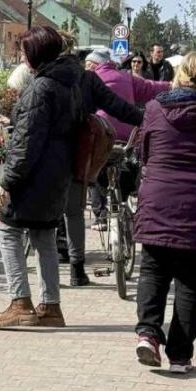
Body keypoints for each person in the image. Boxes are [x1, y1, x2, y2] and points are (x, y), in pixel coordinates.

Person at [133, 52, 196, 373]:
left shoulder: (155, 108)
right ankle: (180, 356)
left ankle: (148, 334)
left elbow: (144, 152)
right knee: (192, 282)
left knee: (153, 272)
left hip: (158, 200)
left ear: (179, 75)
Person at [0, 26, 81, 329]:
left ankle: (20, 303)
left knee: (6, 232)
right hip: (57, 174)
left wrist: (8, 180)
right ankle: (51, 306)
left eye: (24, 51)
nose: (21, 56)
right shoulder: (69, 83)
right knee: (43, 237)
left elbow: (26, 142)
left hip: (35, 176)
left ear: (37, 53)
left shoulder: (40, 88)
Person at [59, 37, 143, 286]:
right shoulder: (87, 78)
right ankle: (77, 271)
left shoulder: (41, 79)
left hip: (47, 154)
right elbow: (117, 106)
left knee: (45, 215)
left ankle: (48, 276)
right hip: (79, 152)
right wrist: (146, 120)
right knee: (74, 212)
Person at [84, 49, 169, 226]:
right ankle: (123, 202)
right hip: (128, 134)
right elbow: (150, 88)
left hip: (103, 133)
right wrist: (172, 85)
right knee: (126, 164)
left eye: (87, 64)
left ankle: (100, 215)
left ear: (93, 64)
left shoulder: (91, 78)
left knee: (95, 169)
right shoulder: (126, 77)